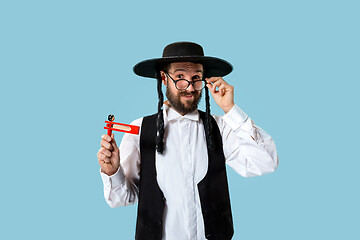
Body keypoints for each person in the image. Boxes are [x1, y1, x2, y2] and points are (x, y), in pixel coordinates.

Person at [97, 41, 278, 240]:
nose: (189, 87)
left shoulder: (221, 127)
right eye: (180, 77)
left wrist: (231, 110)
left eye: (196, 78)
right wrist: (112, 171)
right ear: (164, 78)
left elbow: (266, 163)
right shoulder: (139, 130)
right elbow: (122, 199)